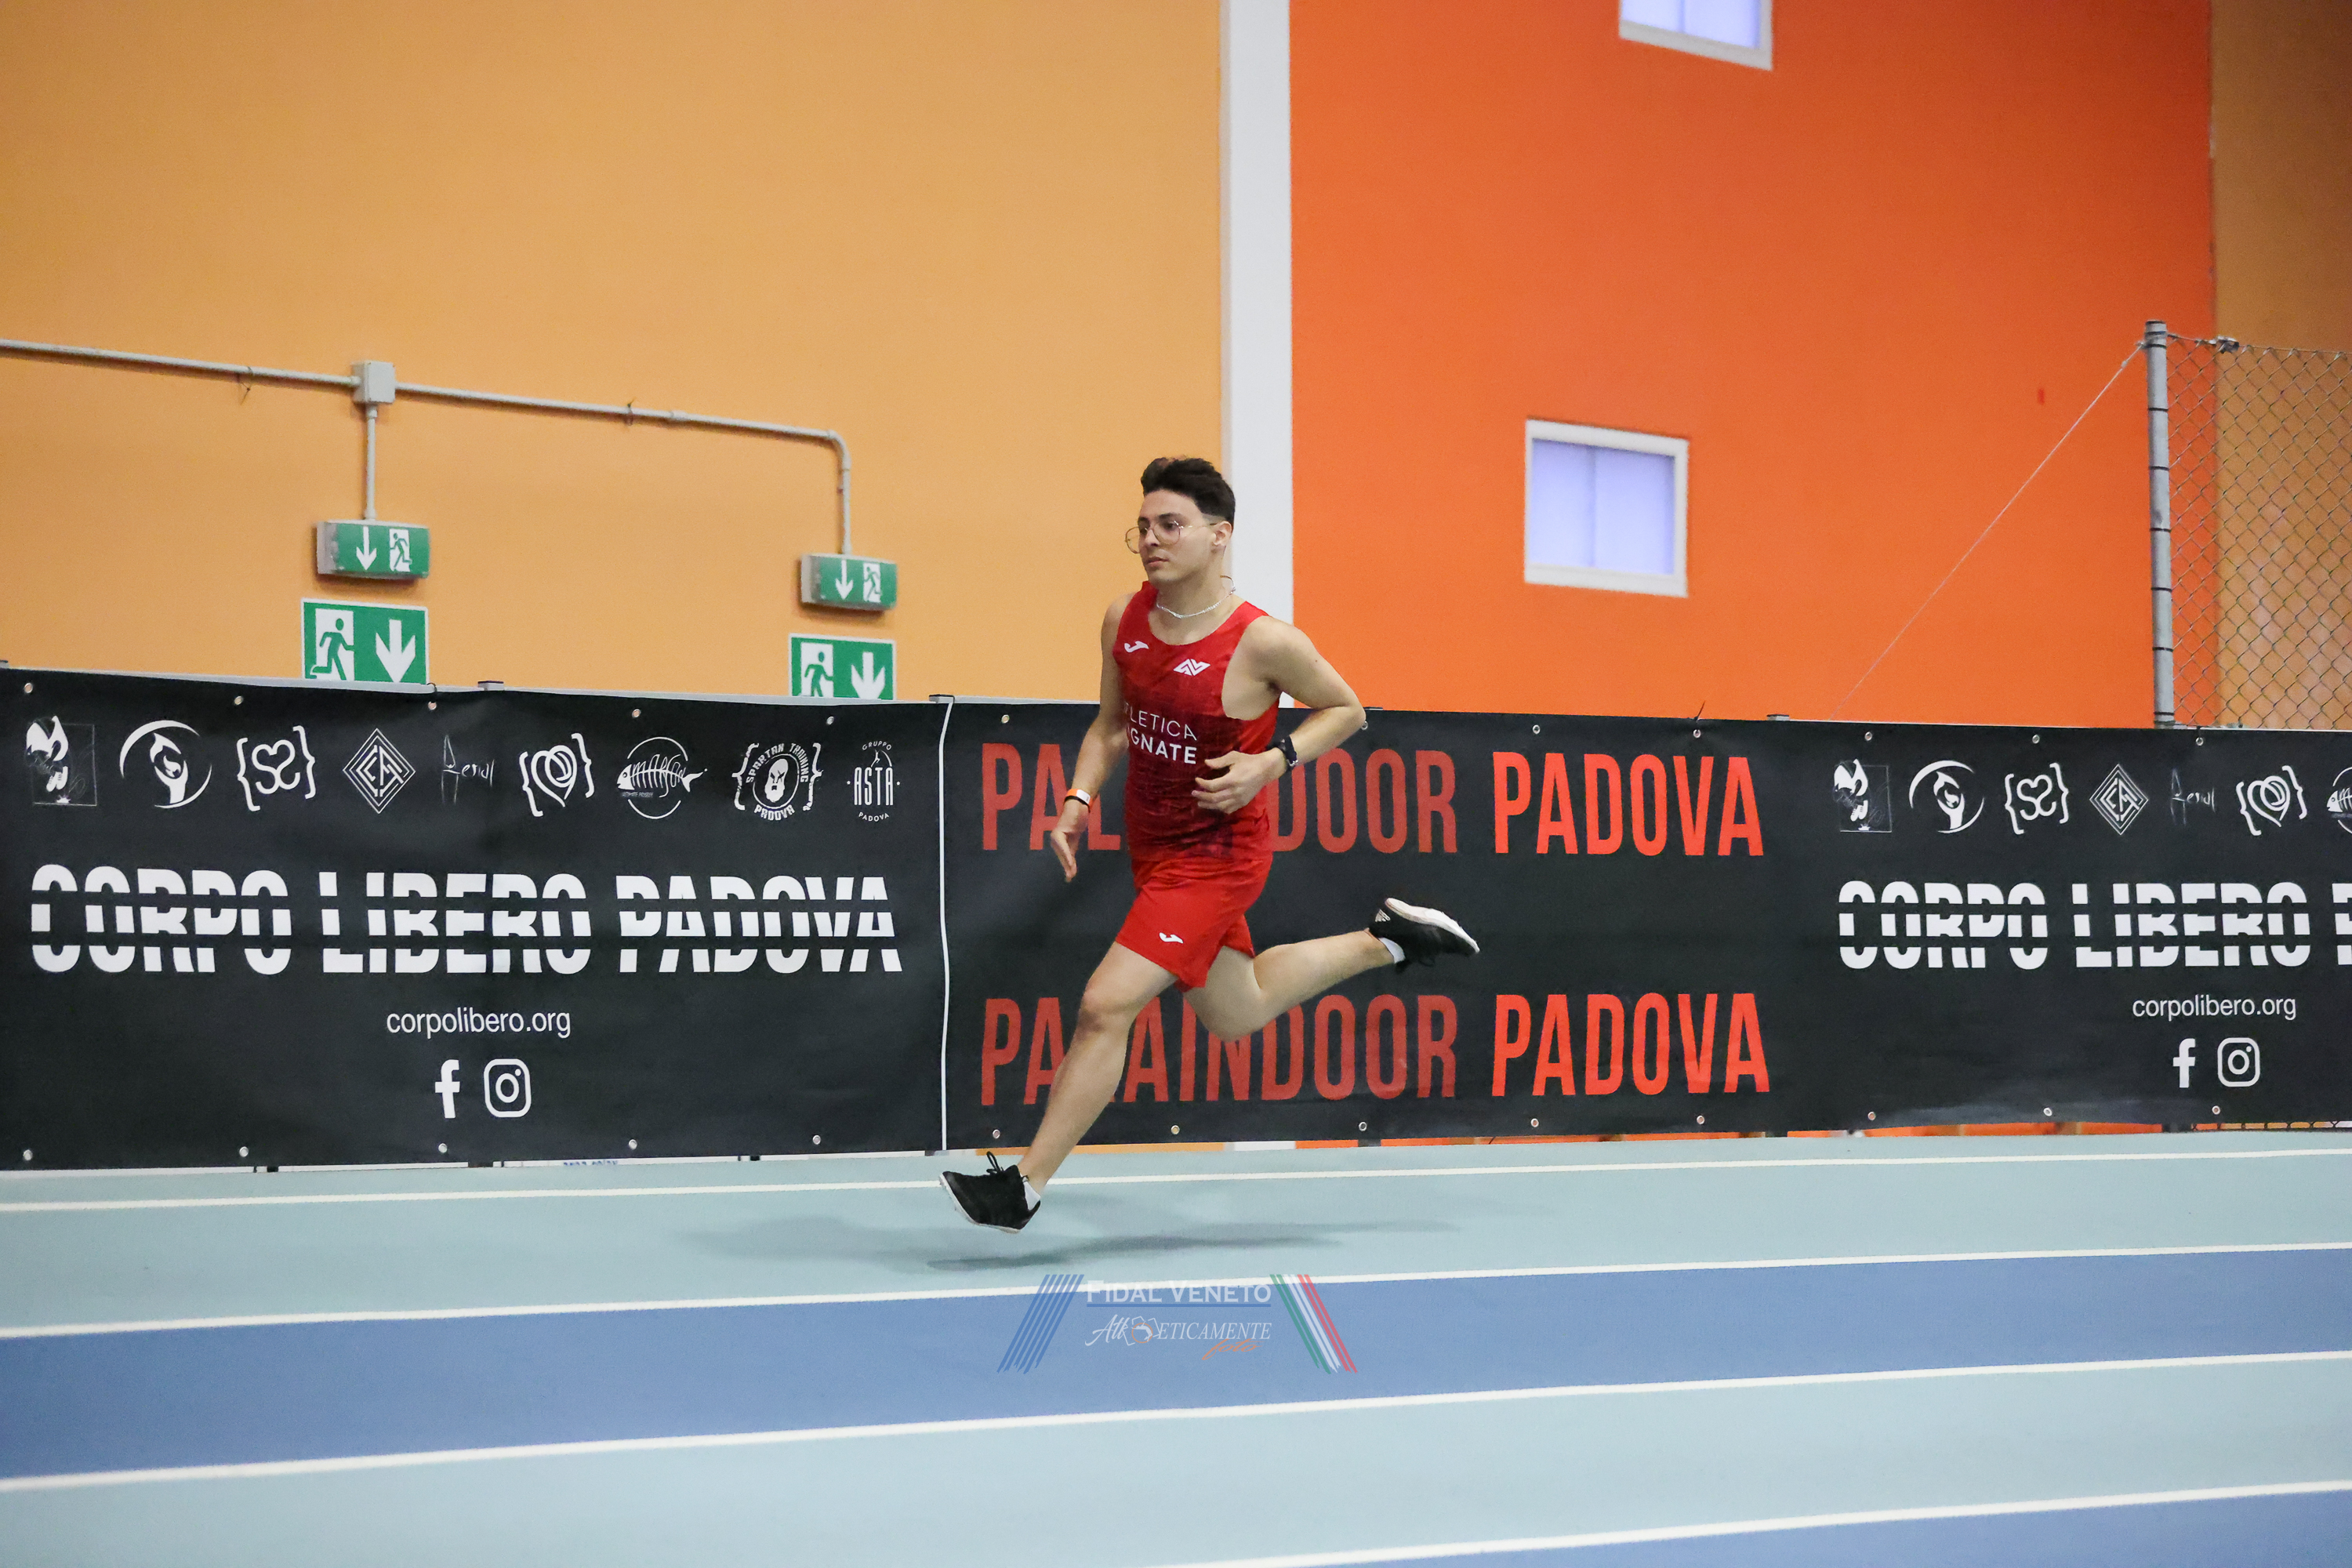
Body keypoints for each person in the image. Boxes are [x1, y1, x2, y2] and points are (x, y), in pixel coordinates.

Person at [942, 456, 1479, 1232]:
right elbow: (1110, 726)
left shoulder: (1262, 641)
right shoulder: (1123, 620)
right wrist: (1077, 798)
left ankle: (1022, 1186)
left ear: (1219, 535)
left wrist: (1272, 761)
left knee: (1105, 1004)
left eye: (1171, 524)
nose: (1151, 540)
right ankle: (1391, 940)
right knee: (1236, 1011)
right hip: (1153, 847)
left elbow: (1347, 709)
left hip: (1219, 857)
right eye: (1143, 527)